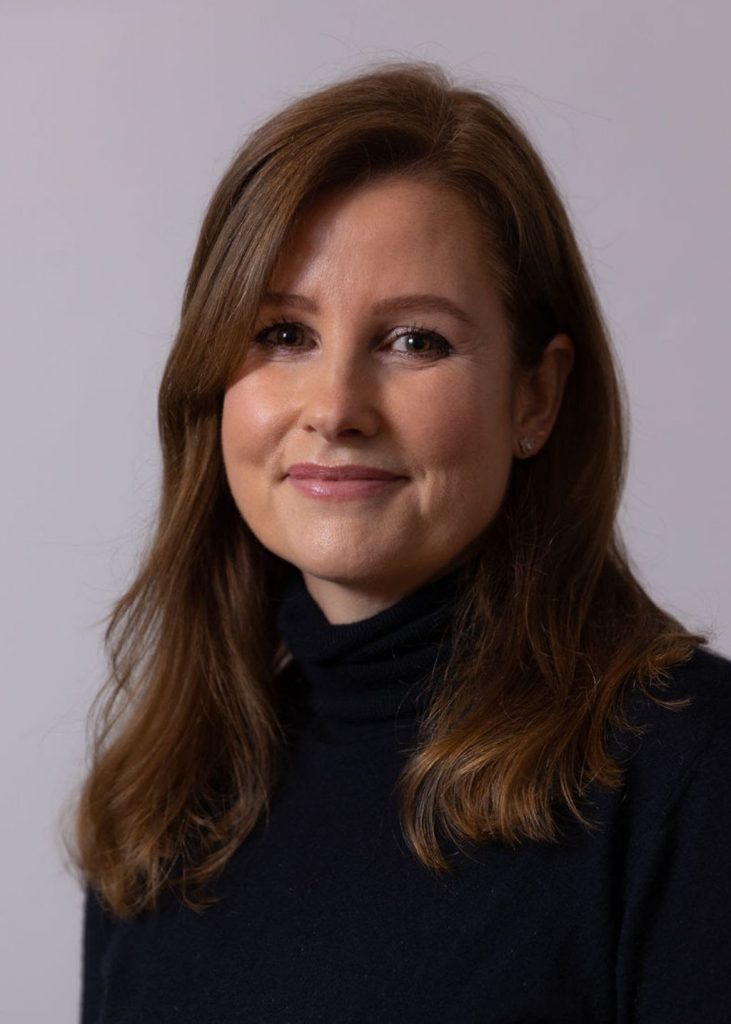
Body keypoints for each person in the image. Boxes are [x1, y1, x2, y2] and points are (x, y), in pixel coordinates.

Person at [67, 61, 731, 1023]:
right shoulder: (164, 804)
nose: (335, 408)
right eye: (282, 334)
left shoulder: (690, 772)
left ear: (534, 397)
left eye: (415, 340)